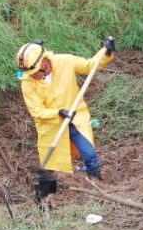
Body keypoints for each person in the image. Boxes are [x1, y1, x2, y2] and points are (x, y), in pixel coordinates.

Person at [15, 38, 114, 184]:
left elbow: (89, 66)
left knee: (89, 154)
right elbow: (36, 111)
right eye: (30, 73)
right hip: (51, 125)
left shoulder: (65, 61)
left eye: (35, 72)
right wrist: (58, 113)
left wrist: (105, 52)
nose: (33, 76)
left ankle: (97, 184)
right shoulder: (28, 82)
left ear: (44, 61)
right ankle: (51, 189)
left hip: (76, 118)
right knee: (52, 164)